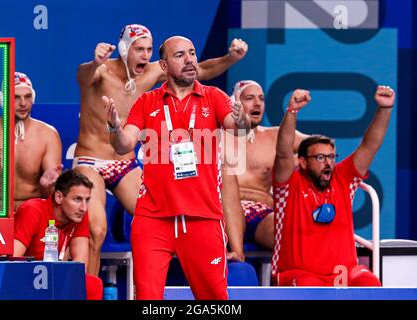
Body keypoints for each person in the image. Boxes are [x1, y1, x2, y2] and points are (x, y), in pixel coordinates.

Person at [74, 23, 248, 275]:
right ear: (124, 50)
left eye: (149, 49)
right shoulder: (101, 71)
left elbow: (205, 69)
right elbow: (83, 76)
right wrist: (94, 62)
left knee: (160, 215)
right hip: (91, 160)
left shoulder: (155, 70)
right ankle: (88, 289)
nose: (145, 55)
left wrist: (232, 58)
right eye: (139, 49)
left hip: (123, 162)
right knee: (96, 229)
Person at [271, 86, 395, 286]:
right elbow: (283, 152)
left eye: (331, 157)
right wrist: (292, 111)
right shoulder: (287, 185)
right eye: (320, 157)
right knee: (310, 286)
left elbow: (370, 145)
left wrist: (385, 109)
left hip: (344, 275)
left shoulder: (344, 180)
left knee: (369, 282)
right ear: (302, 162)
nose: (328, 163)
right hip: (297, 275)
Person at [222, 80, 307, 262]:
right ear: (234, 102)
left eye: (261, 98)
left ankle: (295, 284)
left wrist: (291, 162)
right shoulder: (216, 136)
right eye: (249, 98)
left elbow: (319, 146)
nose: (257, 103)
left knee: (293, 238)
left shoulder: (275, 136)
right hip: (222, 213)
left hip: (262, 213)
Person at [0, 72, 63, 211]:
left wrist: (47, 186)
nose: (23, 103)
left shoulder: (48, 134)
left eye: (27, 97)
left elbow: (52, 195)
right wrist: (0, 176)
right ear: (3, 100)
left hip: (31, 214)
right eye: (16, 97)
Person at [13, 169, 102, 299]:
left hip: (52, 276)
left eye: (87, 200)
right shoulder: (32, 210)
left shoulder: (79, 215)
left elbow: (80, 266)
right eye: (77, 199)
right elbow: (13, 261)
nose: (84, 208)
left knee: (92, 285)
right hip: (24, 278)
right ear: (59, 197)